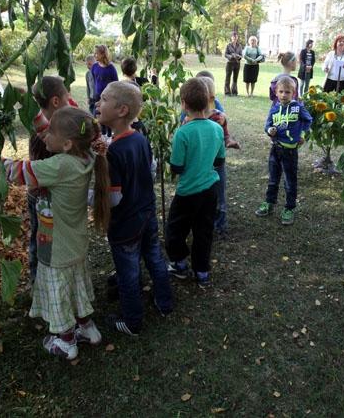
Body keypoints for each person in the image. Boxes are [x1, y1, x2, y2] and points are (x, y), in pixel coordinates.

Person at [0, 107, 109, 359]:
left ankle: (66, 342)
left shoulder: (59, 165)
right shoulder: (86, 155)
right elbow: (48, 133)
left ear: (66, 143)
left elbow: (13, 171)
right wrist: (29, 106)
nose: (44, 135)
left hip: (55, 248)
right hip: (75, 244)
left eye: (50, 131)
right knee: (75, 287)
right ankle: (88, 329)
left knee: (60, 293)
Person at [95, 82, 173, 335]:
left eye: (104, 99)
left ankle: (132, 321)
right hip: (147, 214)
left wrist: (94, 197)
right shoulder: (139, 138)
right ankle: (165, 301)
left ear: (121, 110)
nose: (98, 103)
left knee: (128, 273)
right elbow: (148, 171)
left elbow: (114, 199)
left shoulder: (114, 152)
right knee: (154, 258)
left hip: (126, 224)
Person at [165, 78, 226, 287]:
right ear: (209, 101)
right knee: (204, 231)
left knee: (175, 230)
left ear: (183, 103)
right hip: (210, 191)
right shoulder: (217, 128)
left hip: (187, 192)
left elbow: (177, 167)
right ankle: (202, 273)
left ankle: (179, 265)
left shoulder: (183, 133)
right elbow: (219, 161)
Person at [27, 77, 71, 281]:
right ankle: (38, 280)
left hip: (50, 196)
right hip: (42, 198)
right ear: (55, 101)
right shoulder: (46, 136)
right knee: (40, 240)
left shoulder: (50, 127)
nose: (69, 101)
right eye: (66, 97)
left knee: (49, 239)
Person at [255, 75, 312, 226]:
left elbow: (308, 121)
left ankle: (289, 208)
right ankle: (269, 202)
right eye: (281, 92)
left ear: (293, 93)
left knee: (290, 181)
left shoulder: (298, 107)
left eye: (287, 92)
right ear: (276, 92)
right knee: (273, 179)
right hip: (276, 149)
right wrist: (270, 130)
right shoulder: (274, 109)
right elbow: (267, 125)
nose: (284, 95)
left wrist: (303, 135)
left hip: (290, 152)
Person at [196, 76, 240, 239]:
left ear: (211, 99)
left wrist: (230, 142)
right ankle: (201, 221)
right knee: (200, 193)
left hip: (216, 163)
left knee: (219, 193)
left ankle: (220, 224)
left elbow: (226, 135)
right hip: (198, 164)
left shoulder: (219, 116)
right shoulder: (188, 118)